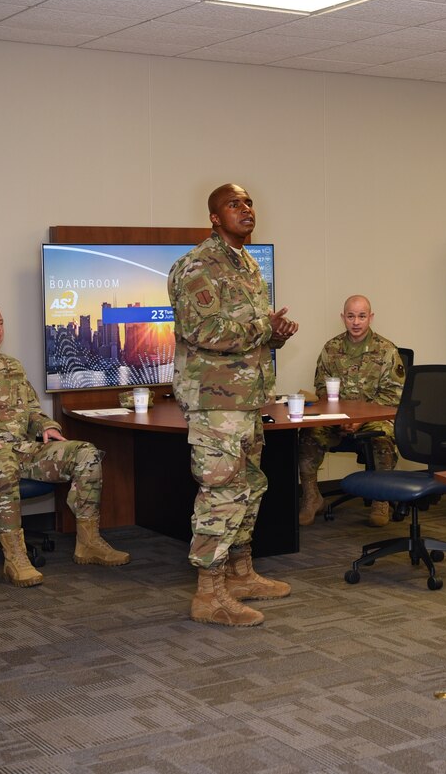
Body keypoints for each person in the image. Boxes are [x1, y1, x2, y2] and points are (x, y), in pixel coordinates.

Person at [0, 304, 129, 587]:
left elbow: (32, 410)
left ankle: (88, 542)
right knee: (0, 460)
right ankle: (15, 558)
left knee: (85, 453)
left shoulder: (13, 367)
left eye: (1, 322)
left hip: (20, 449)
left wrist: (47, 426)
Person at [169, 183, 299, 627]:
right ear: (214, 217)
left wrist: (276, 332)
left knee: (250, 484)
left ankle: (240, 573)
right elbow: (203, 330)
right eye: (233, 204)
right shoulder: (196, 266)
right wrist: (265, 328)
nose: (245, 209)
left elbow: (250, 332)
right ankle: (209, 592)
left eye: (248, 202)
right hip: (213, 399)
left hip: (245, 398)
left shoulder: (246, 264)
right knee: (221, 491)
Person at [297, 295, 406, 528]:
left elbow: (393, 396)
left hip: (373, 419)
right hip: (336, 418)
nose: (356, 322)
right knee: (309, 435)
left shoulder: (386, 350)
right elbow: (320, 389)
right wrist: (339, 417)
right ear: (343, 318)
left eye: (361, 316)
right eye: (351, 316)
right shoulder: (331, 349)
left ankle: (381, 498)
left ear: (371, 317)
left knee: (382, 438)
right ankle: (312, 496)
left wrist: (359, 419)